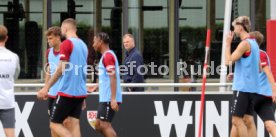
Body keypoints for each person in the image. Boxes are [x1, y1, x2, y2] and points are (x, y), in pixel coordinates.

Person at [37, 18, 88, 137]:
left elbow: (61, 68)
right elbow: (83, 71)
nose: (48, 41)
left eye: (50, 38)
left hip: (66, 91)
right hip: (79, 93)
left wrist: (46, 87)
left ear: (64, 29)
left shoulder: (67, 43)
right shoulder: (83, 45)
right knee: (73, 125)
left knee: (54, 124)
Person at [230, 31, 276, 137]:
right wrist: (235, 75)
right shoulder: (259, 53)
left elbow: (268, 73)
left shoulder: (257, 53)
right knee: (269, 124)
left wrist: (274, 90)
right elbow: (250, 71)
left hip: (254, 93)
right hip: (264, 95)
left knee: (237, 121)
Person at [225, 16, 261, 137]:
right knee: (248, 120)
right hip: (252, 88)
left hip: (243, 88)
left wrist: (227, 44)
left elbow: (228, 61)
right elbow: (259, 68)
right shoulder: (254, 43)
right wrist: (238, 74)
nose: (233, 30)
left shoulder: (244, 44)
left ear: (240, 27)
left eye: (234, 27)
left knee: (236, 120)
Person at [88, 32, 122, 137]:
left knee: (104, 125)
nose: (93, 44)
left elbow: (113, 77)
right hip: (106, 97)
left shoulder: (108, 56)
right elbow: (107, 77)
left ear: (100, 42)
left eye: (94, 41)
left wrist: (113, 99)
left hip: (108, 98)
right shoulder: (106, 56)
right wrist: (97, 85)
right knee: (98, 124)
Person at [42, 26, 72, 137]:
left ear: (58, 37)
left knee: (66, 123)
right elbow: (49, 70)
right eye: (48, 39)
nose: (48, 41)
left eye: (51, 38)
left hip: (64, 93)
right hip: (52, 94)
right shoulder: (49, 52)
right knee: (53, 125)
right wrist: (46, 88)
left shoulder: (67, 50)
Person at [0, 25, 20, 137]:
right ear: (6, 38)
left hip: (7, 103)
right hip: (7, 102)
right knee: (10, 135)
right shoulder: (14, 57)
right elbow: (15, 76)